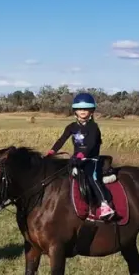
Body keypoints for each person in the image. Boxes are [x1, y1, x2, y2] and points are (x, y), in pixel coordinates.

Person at [46, 92, 113, 221]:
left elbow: (92, 144)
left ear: (91, 111)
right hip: (76, 160)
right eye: (80, 109)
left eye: (86, 109)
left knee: (92, 178)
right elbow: (61, 140)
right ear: (75, 111)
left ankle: (104, 204)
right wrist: (52, 151)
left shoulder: (93, 127)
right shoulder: (71, 127)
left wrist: (82, 155)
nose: (82, 111)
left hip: (91, 160)